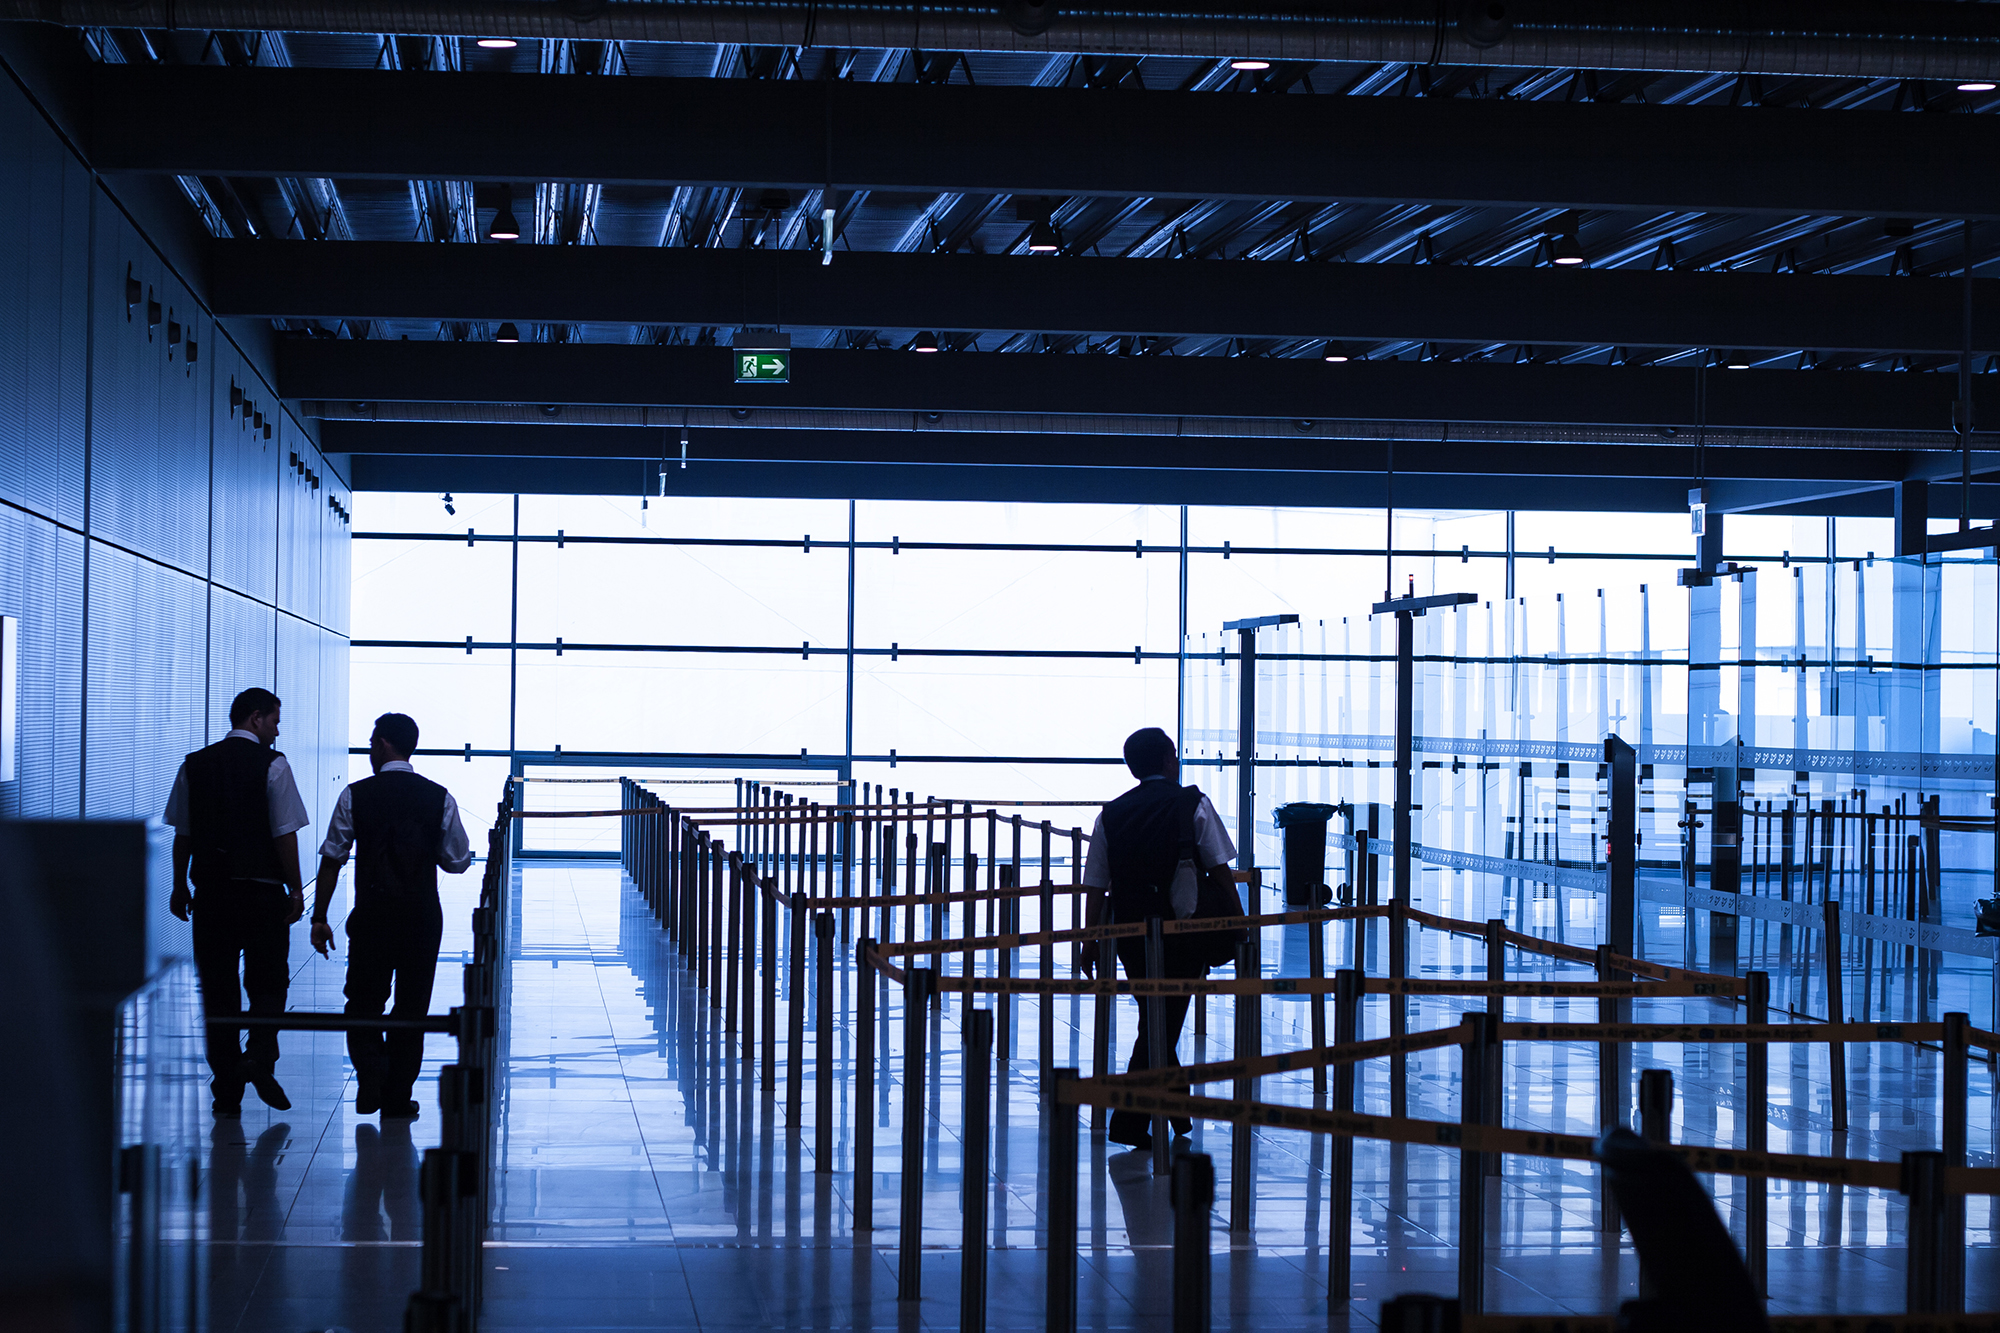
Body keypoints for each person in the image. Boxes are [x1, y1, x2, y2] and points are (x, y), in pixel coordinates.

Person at [310, 712, 474, 1119]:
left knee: (363, 1002)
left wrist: (320, 916)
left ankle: (371, 1075)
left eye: (370, 742)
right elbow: (457, 861)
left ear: (383, 743)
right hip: (420, 917)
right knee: (411, 1008)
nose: (368, 750)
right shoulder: (439, 797)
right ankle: (397, 1096)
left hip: (372, 915)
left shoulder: (355, 795)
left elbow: (332, 858)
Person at [1079, 726, 1236, 1151]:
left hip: (1131, 934)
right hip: (1186, 931)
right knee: (1161, 1024)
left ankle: (1174, 1106)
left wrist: (1089, 941)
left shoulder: (1111, 814)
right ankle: (1130, 1121)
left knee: (1157, 1018)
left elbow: (1094, 884)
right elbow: (1220, 869)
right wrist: (1238, 924)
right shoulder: (1191, 803)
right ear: (1169, 758)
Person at [165, 687, 310, 1117]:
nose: (277, 730)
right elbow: (285, 833)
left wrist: (178, 886)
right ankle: (260, 1058)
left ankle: (226, 1086)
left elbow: (183, 834)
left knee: (217, 988)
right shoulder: (274, 765)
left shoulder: (195, 764)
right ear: (254, 718)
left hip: (211, 896)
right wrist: (296, 889)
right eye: (275, 721)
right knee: (269, 981)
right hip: (262, 895)